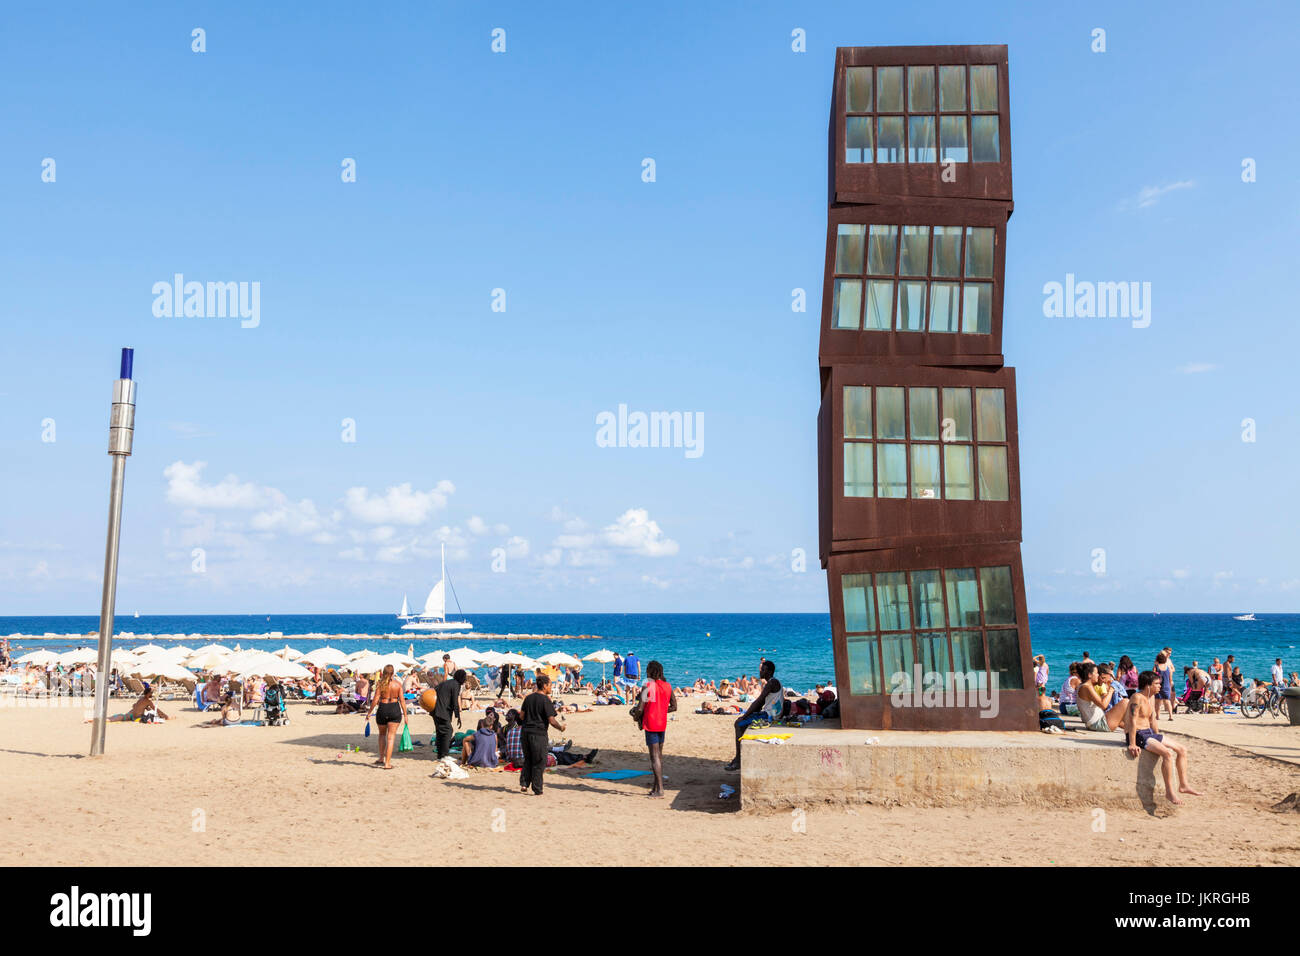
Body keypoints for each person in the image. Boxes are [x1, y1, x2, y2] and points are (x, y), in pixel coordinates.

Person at [1125, 670, 1202, 804]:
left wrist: (1158, 735)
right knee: (1167, 754)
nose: (1160, 686)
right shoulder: (1137, 698)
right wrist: (1132, 743)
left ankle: (1183, 785)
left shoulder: (1151, 697)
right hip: (1138, 735)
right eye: (1157, 684)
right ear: (1148, 686)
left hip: (1149, 734)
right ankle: (1169, 792)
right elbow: (1132, 720)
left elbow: (1153, 719)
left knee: (1182, 750)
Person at [723, 660, 781, 772]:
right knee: (744, 720)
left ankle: (739, 760)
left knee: (739, 724)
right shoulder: (772, 682)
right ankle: (739, 758)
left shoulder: (771, 683)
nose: (760, 672)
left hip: (770, 716)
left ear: (769, 671)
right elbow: (762, 702)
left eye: (763, 670)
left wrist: (745, 716)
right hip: (770, 713)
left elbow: (758, 701)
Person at [633, 660, 676, 798]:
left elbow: (640, 708)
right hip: (662, 723)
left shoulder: (648, 685)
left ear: (650, 672)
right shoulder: (668, 686)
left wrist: (635, 716)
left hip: (651, 724)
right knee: (659, 756)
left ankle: (660, 790)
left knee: (654, 757)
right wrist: (662, 710)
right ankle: (655, 787)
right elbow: (674, 706)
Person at [519, 673, 565, 795]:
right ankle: (537, 788)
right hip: (538, 734)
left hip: (525, 732)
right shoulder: (545, 700)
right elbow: (552, 720)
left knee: (528, 758)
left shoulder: (528, 698)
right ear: (544, 686)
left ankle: (524, 784)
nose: (551, 687)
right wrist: (561, 728)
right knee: (539, 761)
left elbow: (521, 716)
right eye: (550, 685)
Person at [365, 664, 407, 770]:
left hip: (383, 709)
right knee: (391, 737)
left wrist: (369, 712)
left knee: (382, 735)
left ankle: (381, 758)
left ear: (383, 673)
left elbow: (375, 700)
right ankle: (387, 763)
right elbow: (402, 700)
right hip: (394, 709)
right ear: (393, 673)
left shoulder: (380, 684)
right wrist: (406, 715)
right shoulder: (398, 684)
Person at [1075, 662, 1129, 732]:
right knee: (1125, 702)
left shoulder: (1084, 686)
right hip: (1098, 724)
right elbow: (1103, 705)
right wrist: (1112, 689)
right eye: (1097, 673)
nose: (1098, 675)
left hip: (1095, 723)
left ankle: (1135, 727)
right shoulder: (1087, 687)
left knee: (1122, 718)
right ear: (1090, 675)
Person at [432, 669, 464, 759]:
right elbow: (455, 702)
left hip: (435, 710)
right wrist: (458, 716)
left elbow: (435, 689)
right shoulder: (456, 685)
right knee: (448, 731)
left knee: (439, 732)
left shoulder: (447, 682)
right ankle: (444, 755)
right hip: (443, 711)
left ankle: (440, 754)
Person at [1154, 651, 1175, 721]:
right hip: (1166, 685)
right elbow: (1170, 678)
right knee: (1167, 701)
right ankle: (1171, 716)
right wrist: (1170, 686)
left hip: (1158, 685)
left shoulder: (1156, 667)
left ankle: (1157, 716)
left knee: (1157, 701)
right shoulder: (1168, 668)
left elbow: (1153, 677)